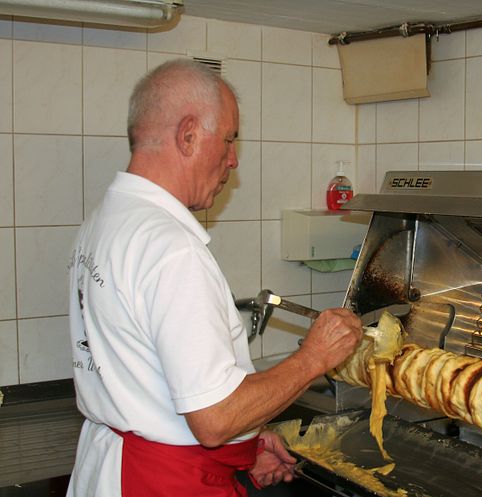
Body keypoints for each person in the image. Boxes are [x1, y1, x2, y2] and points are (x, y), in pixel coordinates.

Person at [66, 59, 363, 497]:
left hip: (113, 463)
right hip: (162, 481)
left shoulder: (106, 221)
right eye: (227, 140)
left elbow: (152, 379)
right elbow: (215, 419)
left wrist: (246, 440)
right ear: (188, 135)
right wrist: (315, 357)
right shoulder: (171, 248)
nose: (232, 159)